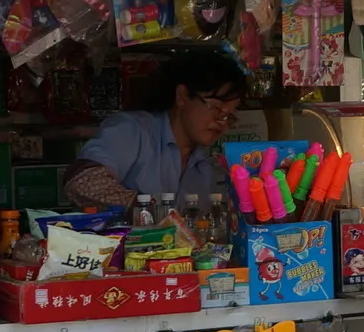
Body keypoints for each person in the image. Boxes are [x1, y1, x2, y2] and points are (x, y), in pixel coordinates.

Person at [61, 44, 248, 210]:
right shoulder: (134, 130)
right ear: (182, 96)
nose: (221, 122)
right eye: (216, 108)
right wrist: (144, 209)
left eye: (229, 117)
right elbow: (81, 181)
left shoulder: (205, 167)